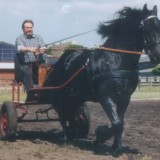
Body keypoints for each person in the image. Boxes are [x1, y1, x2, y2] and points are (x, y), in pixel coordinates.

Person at [15, 19, 47, 94]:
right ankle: (30, 92)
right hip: (27, 64)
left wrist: (40, 50)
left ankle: (46, 89)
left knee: (48, 68)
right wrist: (30, 49)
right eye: (27, 28)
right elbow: (20, 49)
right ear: (23, 29)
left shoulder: (38, 37)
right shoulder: (20, 38)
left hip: (39, 62)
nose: (29, 29)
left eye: (31, 27)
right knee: (26, 70)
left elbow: (44, 48)